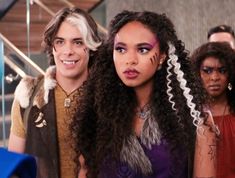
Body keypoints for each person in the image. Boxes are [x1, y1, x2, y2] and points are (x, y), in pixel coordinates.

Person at [71, 10, 216, 178]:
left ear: (162, 55)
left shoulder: (197, 120)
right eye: (121, 49)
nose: (130, 60)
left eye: (143, 49)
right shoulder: (95, 114)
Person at [7, 7, 102, 178]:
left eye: (78, 42)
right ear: (52, 47)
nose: (68, 51)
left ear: (91, 46)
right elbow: (15, 168)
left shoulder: (109, 97)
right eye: (60, 42)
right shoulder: (28, 96)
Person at [191, 41, 235, 178]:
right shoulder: (188, 114)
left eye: (222, 71)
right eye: (207, 71)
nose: (215, 78)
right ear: (197, 74)